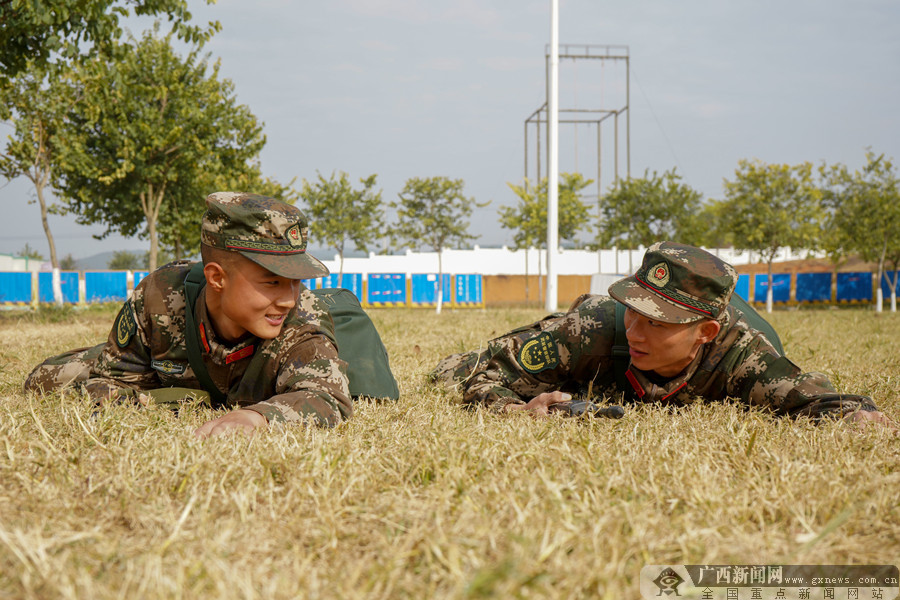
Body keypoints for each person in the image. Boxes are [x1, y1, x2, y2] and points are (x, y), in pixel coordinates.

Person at [432, 241, 895, 429]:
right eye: (634, 311)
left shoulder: (744, 356)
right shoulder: (596, 325)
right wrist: (516, 409)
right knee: (450, 372)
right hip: (578, 344)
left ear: (706, 332)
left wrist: (859, 421)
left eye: (658, 321)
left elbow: (819, 402)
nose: (636, 329)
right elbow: (485, 377)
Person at [24, 192, 352, 438]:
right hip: (166, 368)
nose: (287, 299)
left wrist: (258, 418)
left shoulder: (304, 315)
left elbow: (326, 398)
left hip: (228, 374)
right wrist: (150, 403)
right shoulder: (160, 296)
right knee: (47, 379)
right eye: (273, 282)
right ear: (217, 278)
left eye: (296, 282)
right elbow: (112, 380)